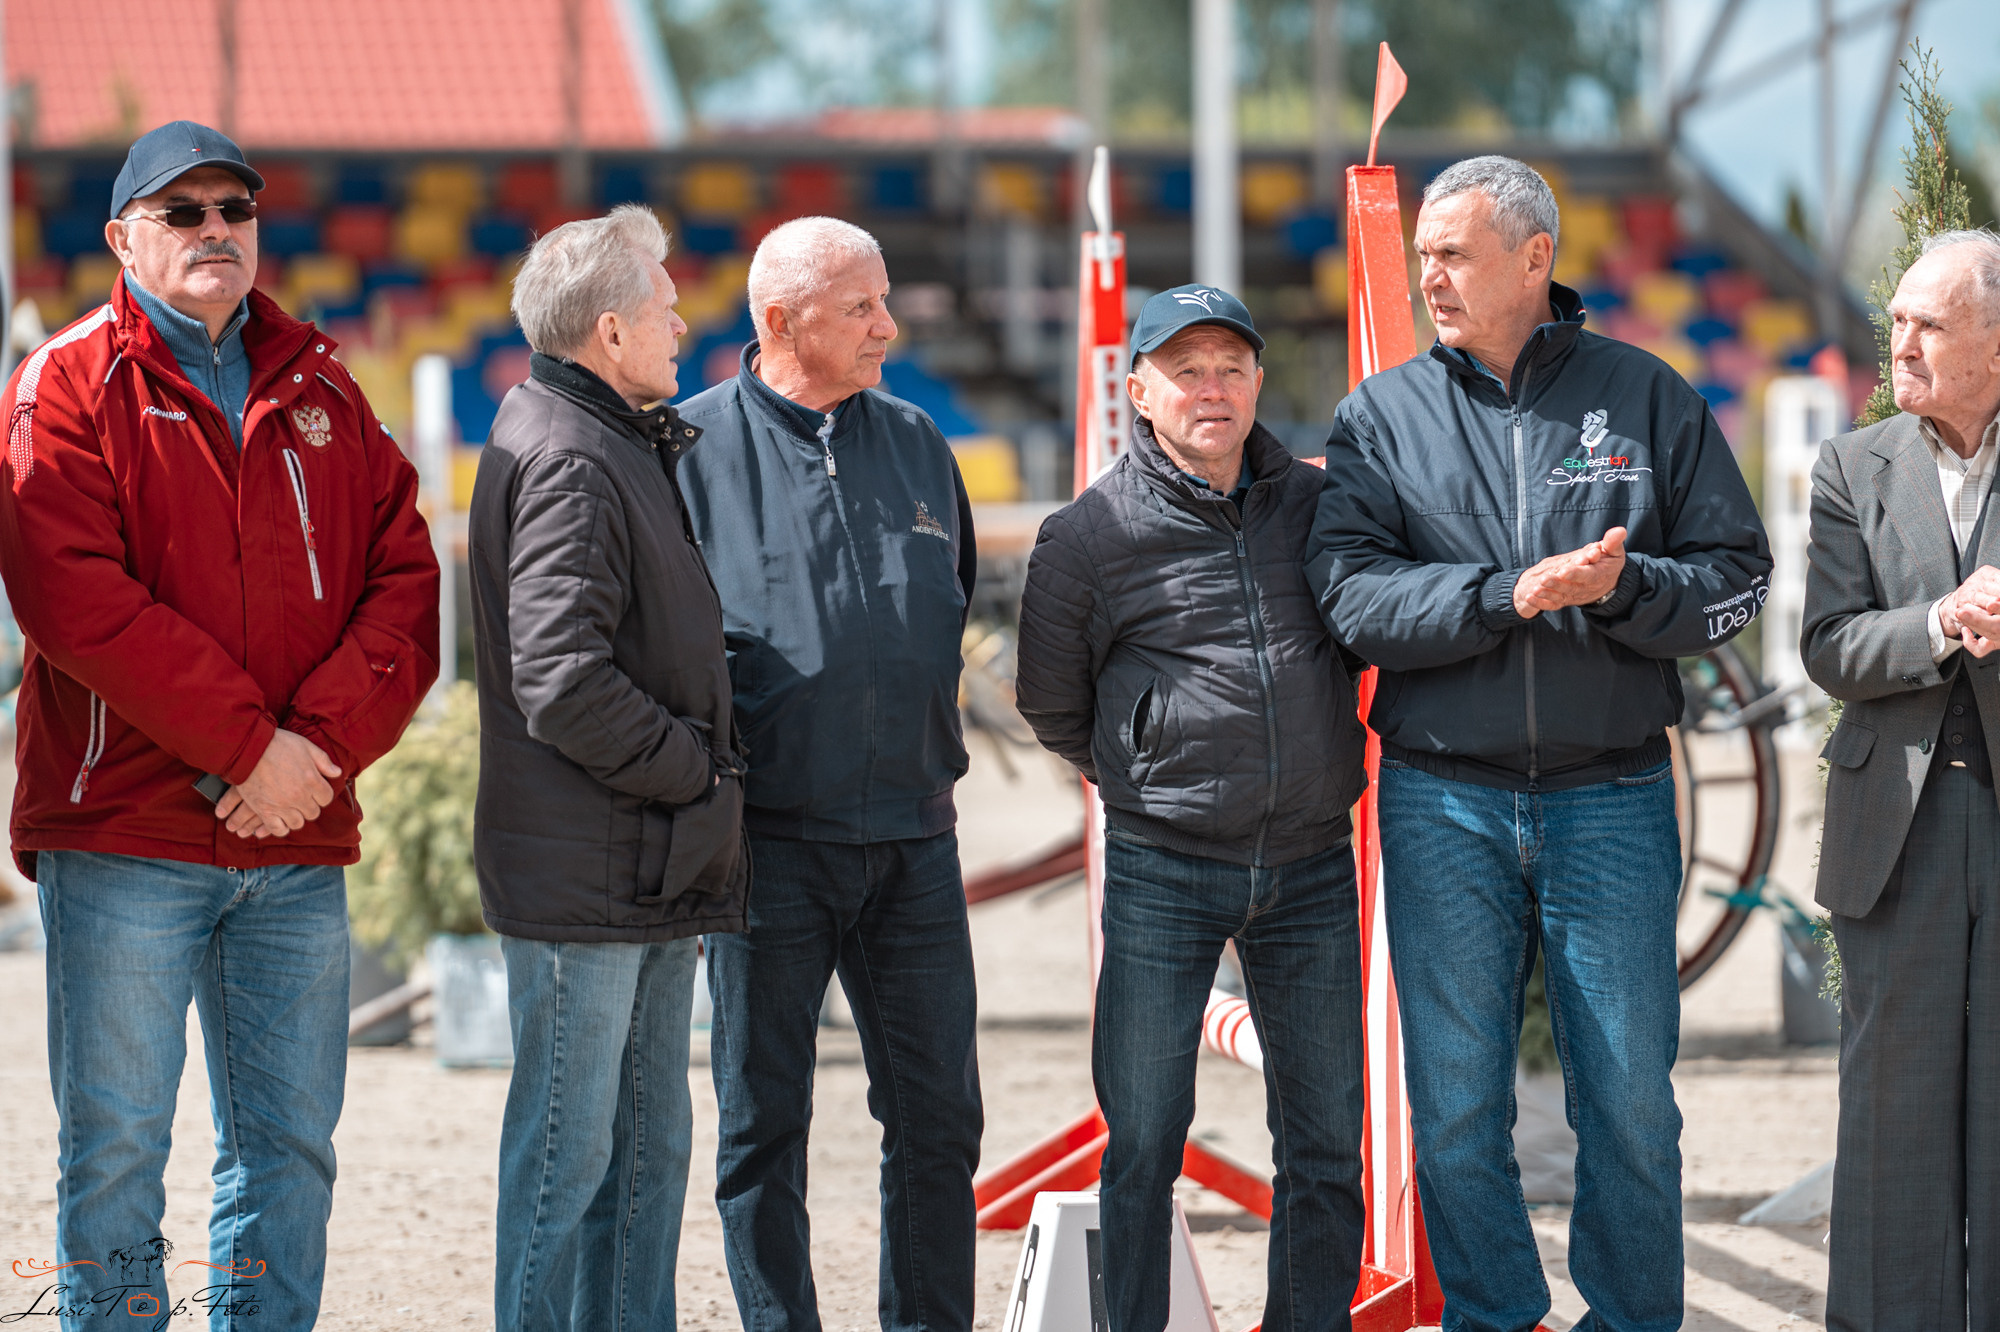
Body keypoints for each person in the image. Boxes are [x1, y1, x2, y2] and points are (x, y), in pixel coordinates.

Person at [1306, 155, 1771, 1332]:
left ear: (1532, 259)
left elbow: (1735, 581)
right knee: (1454, 1102)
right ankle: (1494, 1317)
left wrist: (1621, 593)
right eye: (1420, 255)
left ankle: (1628, 1321)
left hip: (1611, 797)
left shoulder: (1649, 397)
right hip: (1437, 800)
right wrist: (1507, 595)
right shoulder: (1377, 417)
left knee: (1627, 1098)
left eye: (1451, 254)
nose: (1429, 276)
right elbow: (1350, 600)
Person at [0, 120, 440, 1326]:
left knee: (289, 1155)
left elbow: (405, 587)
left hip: (291, 843)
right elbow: (76, 602)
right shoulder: (66, 384)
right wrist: (257, 751)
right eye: (182, 212)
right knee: (116, 1160)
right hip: (123, 835)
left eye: (232, 212)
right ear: (120, 239)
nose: (213, 232)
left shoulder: (327, 389)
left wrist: (317, 755)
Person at [1016, 285, 1369, 1332]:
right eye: (1184, 370)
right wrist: (1146, 770)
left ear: (1258, 381)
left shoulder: (1317, 504)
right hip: (1163, 866)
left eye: (1228, 367)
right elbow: (1049, 701)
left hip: (1311, 861)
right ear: (1138, 391)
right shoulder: (1085, 535)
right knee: (1143, 1140)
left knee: (1322, 1138)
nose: (1209, 388)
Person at [676, 215, 981, 1332]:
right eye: (860, 307)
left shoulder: (915, 441)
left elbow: (949, 596)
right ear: (778, 321)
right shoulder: (686, 451)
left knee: (941, 1120)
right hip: (766, 849)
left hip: (913, 838)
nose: (886, 326)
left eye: (882, 299)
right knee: (763, 1127)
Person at [468, 204, 748, 1332]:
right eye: (666, 307)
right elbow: (562, 679)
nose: (684, 323)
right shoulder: (575, 459)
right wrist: (694, 771)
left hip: (633, 861)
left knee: (643, 1155)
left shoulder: (601, 437)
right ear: (611, 331)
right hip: (595, 864)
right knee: (568, 1159)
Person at [1803, 227, 2000, 1330]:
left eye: (1928, 322)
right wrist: (1936, 622)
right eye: (1895, 321)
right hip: (1895, 835)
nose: (1901, 342)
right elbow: (1827, 644)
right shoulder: (1851, 465)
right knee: (1890, 1117)